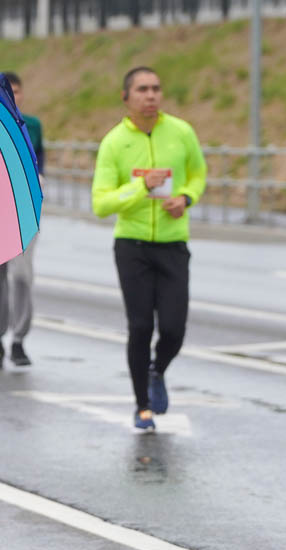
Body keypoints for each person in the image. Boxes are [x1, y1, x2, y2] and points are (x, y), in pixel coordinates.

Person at [92, 67, 206, 430]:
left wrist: (186, 198)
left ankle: (157, 370)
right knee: (141, 326)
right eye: (142, 89)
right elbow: (101, 204)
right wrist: (142, 187)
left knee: (173, 329)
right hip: (133, 245)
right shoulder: (114, 142)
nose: (151, 95)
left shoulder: (182, 132)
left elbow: (198, 175)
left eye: (156, 88)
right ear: (126, 97)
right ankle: (142, 405)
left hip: (173, 244)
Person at [0, 71, 43, 369]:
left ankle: (19, 340)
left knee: (21, 276)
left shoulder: (32, 126)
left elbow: (39, 161)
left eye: (17, 91)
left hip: (26, 210)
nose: (13, 96)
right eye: (8, 91)